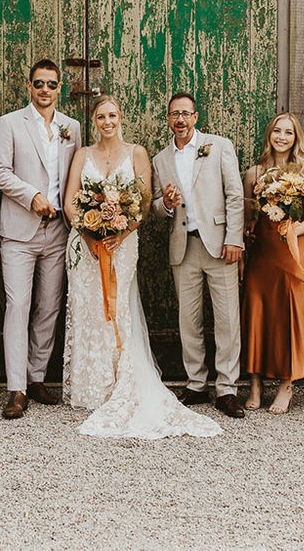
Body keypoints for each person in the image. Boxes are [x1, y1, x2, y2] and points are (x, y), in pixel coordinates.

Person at [62, 95, 220, 439]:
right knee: (89, 308)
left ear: (121, 118)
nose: (107, 121)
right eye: (101, 116)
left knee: (119, 309)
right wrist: (87, 234)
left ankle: (120, 380)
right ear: (94, 121)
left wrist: (121, 232)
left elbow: (145, 201)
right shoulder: (81, 155)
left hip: (122, 243)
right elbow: (70, 200)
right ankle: (92, 386)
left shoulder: (137, 153)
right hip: (85, 244)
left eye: (113, 115)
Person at [0, 59, 81, 419]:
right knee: (18, 305)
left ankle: (37, 376)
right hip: (18, 230)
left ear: (60, 88)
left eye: (52, 84)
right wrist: (32, 197)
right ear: (29, 87)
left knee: (49, 306)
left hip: (58, 230)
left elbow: (75, 173)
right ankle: (16, 388)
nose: (45, 89)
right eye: (39, 83)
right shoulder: (9, 123)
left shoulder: (71, 127)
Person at [152, 92, 245, 419]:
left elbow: (235, 195)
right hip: (184, 246)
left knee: (227, 318)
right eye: (174, 114)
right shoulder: (160, 159)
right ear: (168, 119)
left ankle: (227, 388)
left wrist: (234, 238)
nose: (180, 120)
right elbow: (155, 205)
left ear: (195, 116)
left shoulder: (219, 146)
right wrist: (165, 202)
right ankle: (195, 383)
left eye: (185, 114)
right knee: (188, 320)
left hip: (220, 244)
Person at [242, 113, 304, 414]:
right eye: (277, 131)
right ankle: (255, 384)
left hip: (292, 250)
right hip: (262, 251)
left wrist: (293, 231)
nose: (282, 137)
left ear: (295, 138)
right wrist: (247, 232)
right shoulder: (255, 172)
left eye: (288, 133)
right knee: (257, 310)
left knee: (290, 312)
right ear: (269, 135)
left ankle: (287, 385)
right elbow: (249, 216)